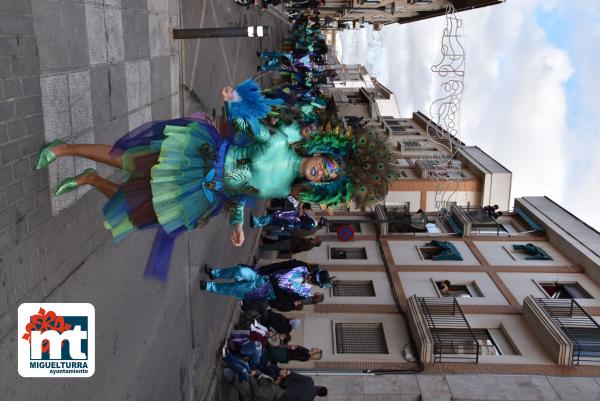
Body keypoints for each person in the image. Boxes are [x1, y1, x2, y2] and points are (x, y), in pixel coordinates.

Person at [35, 81, 396, 280]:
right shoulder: (282, 142)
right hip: (200, 156)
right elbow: (249, 127)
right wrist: (236, 101)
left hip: (207, 193)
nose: (321, 171)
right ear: (321, 152)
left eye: (327, 176)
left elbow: (242, 194)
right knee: (128, 158)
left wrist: (237, 223)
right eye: (326, 163)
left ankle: (88, 179)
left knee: (139, 206)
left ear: (325, 186)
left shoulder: (284, 189)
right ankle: (64, 149)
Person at [200, 263, 332, 301]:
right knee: (240, 271)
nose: (311, 278)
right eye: (313, 276)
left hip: (262, 291)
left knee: (235, 289)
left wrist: (275, 285)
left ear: (316, 284)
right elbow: (280, 265)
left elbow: (282, 299)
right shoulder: (300, 267)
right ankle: (214, 273)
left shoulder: (302, 293)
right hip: (263, 277)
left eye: (314, 281)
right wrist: (263, 269)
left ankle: (209, 286)